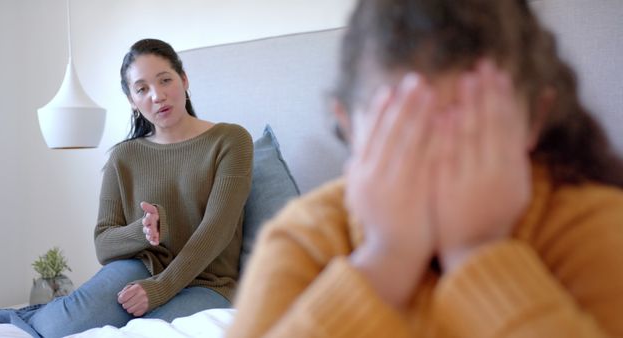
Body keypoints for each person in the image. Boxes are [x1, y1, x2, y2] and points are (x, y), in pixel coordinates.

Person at [227, 0, 623, 337]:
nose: (442, 169)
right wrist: (385, 259)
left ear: (534, 119)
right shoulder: (303, 238)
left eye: (474, 135)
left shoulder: (593, 224)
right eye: (405, 135)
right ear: (347, 123)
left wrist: (479, 251)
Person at [0, 38, 253, 337]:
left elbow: (216, 232)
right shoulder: (124, 156)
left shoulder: (231, 140)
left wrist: (159, 289)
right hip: (141, 267)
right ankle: (30, 315)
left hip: (207, 281)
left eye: (165, 80)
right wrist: (141, 231)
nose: (157, 96)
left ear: (183, 80)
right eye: (142, 89)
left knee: (142, 332)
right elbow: (103, 245)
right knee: (55, 328)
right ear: (131, 100)